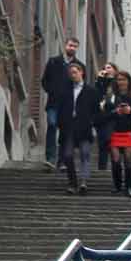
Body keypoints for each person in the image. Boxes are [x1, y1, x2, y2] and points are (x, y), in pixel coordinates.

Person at [100, 70, 131, 199]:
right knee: (115, 160)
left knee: (128, 159)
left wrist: (130, 111)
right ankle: (117, 186)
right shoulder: (110, 97)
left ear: (129, 81)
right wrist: (115, 112)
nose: (121, 82)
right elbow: (103, 117)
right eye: (118, 79)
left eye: (123, 79)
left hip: (130, 133)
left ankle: (129, 186)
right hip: (114, 132)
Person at [40, 36, 80, 172]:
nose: (72, 48)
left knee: (65, 132)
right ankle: (50, 158)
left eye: (75, 46)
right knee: (52, 125)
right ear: (65, 45)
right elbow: (44, 80)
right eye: (70, 45)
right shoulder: (53, 62)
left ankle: (62, 161)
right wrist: (52, 91)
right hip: (54, 103)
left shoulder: (79, 66)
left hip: (69, 106)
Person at [61, 60, 99, 194]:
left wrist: (93, 125)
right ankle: (72, 182)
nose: (72, 75)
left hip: (85, 127)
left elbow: (96, 111)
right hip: (69, 128)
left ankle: (83, 182)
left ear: (81, 72)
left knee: (85, 154)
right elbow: (61, 108)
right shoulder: (65, 90)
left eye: (75, 72)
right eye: (70, 73)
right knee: (67, 155)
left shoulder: (91, 91)